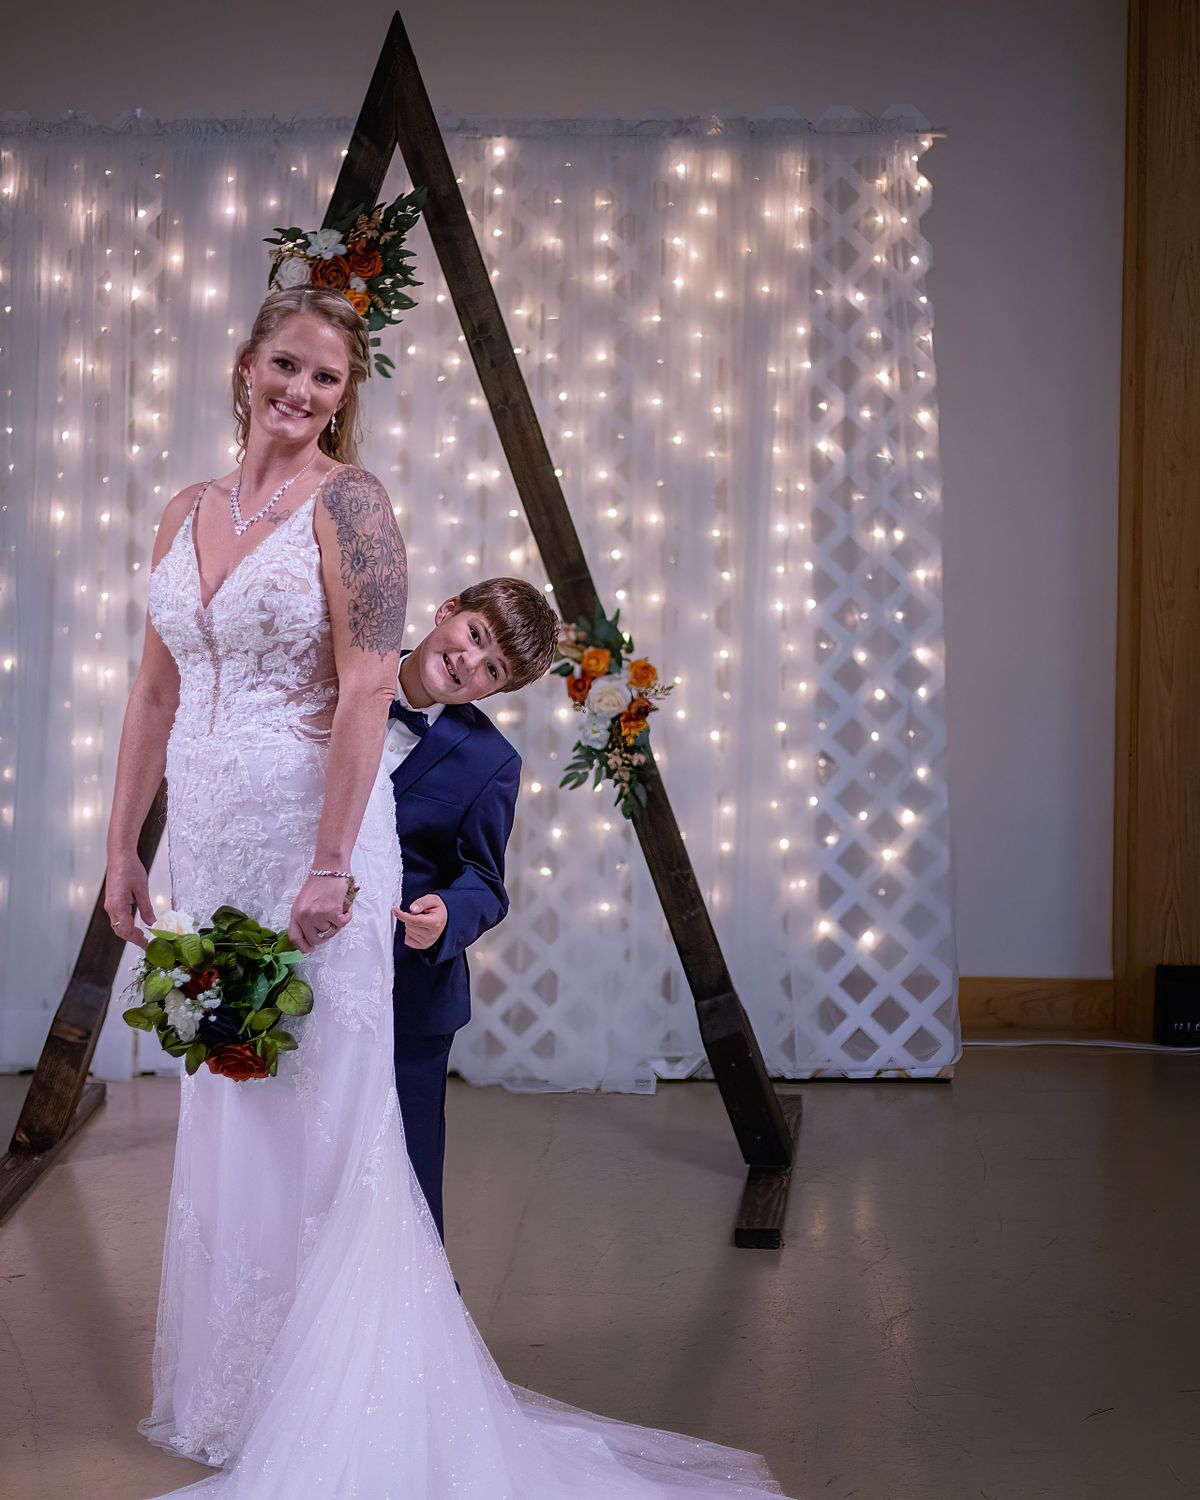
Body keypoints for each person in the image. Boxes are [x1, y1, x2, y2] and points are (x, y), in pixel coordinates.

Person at [104, 284, 792, 1498]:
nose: (303, 392)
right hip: (206, 850)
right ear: (245, 364)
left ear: (343, 399)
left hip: (311, 846)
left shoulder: (352, 506)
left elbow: (369, 682)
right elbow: (154, 697)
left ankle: (347, 1400)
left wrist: (330, 866)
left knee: (320, 1112)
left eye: (328, 379)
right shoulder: (182, 512)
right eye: (288, 365)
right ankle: (243, 1381)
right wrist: (123, 849)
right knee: (228, 1105)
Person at [386, 578, 558, 1245]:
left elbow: (485, 881)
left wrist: (446, 916)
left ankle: (412, 1319)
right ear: (448, 611)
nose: (468, 665)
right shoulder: (339, 680)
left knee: (407, 1171)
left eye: (492, 672)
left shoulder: (492, 763)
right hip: (306, 971)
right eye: (475, 638)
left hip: (411, 990)